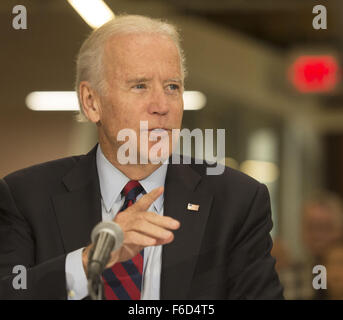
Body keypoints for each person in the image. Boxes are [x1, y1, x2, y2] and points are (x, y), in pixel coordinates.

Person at [0, 14, 283, 300]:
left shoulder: (237, 201)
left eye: (173, 87)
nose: (162, 106)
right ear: (91, 102)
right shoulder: (25, 197)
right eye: (140, 86)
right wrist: (88, 262)